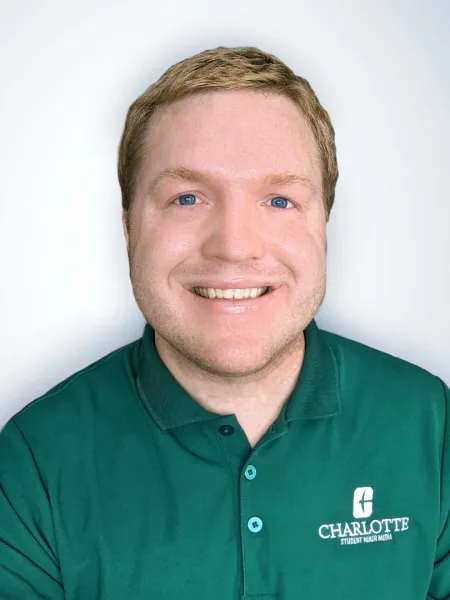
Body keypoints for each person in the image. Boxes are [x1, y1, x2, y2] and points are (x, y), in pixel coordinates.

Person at [0, 46, 448, 600]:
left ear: (325, 223)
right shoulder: (32, 460)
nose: (234, 247)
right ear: (127, 228)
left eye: (279, 201)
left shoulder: (433, 426)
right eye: (187, 198)